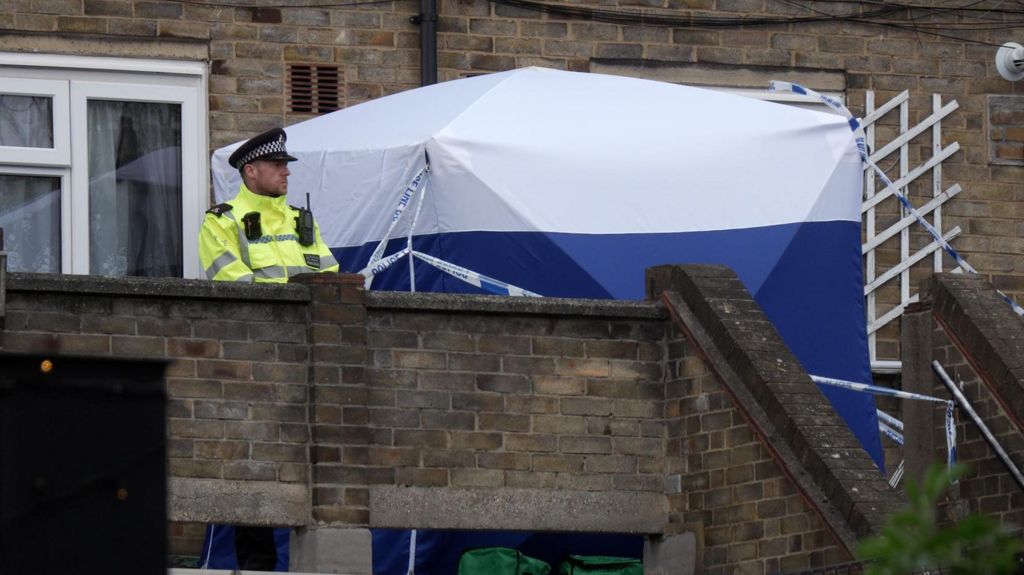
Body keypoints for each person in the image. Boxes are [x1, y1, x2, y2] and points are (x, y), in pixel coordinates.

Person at [199, 127, 339, 282]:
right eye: (277, 165)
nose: (287, 172)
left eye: (285, 164)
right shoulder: (222, 221)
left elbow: (329, 280)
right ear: (251, 171)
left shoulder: (302, 218)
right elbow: (236, 287)